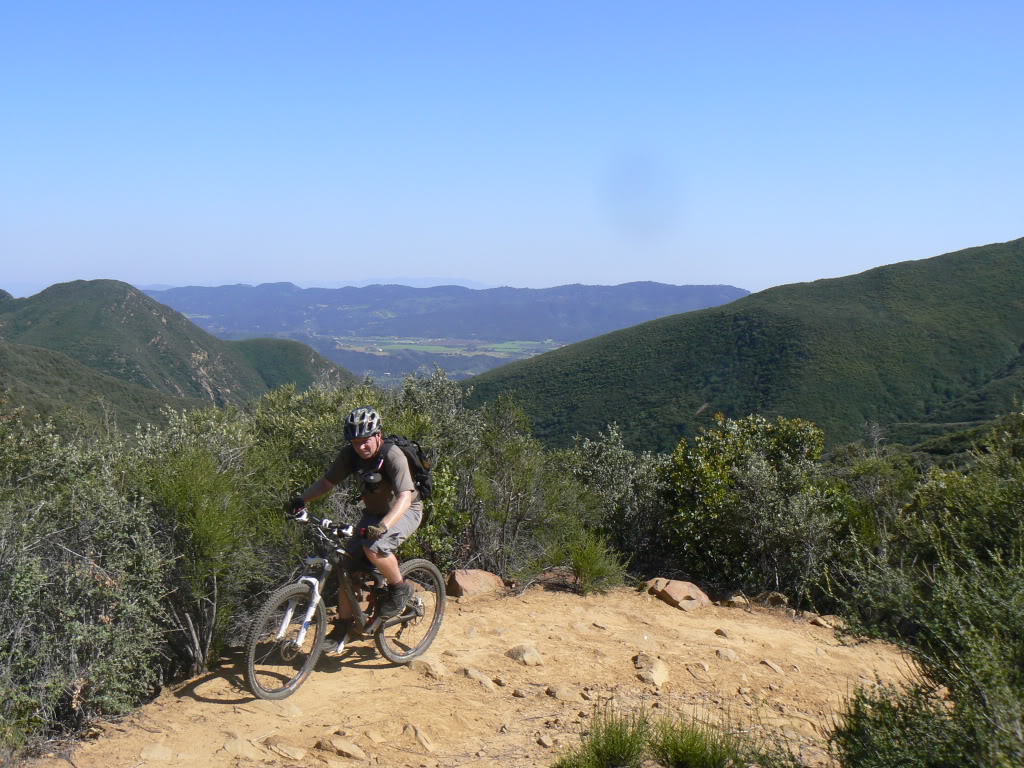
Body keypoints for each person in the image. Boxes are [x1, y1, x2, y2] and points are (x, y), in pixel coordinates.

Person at [287, 406, 422, 647]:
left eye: (366, 440)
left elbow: (405, 497)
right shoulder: (350, 455)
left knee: (375, 547)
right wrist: (302, 500)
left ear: (378, 435)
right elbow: (327, 483)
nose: (361, 447)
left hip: (406, 510)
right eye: (356, 442)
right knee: (346, 568)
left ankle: (400, 589)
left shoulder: (393, 456)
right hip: (374, 512)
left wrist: (384, 526)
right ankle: (344, 627)